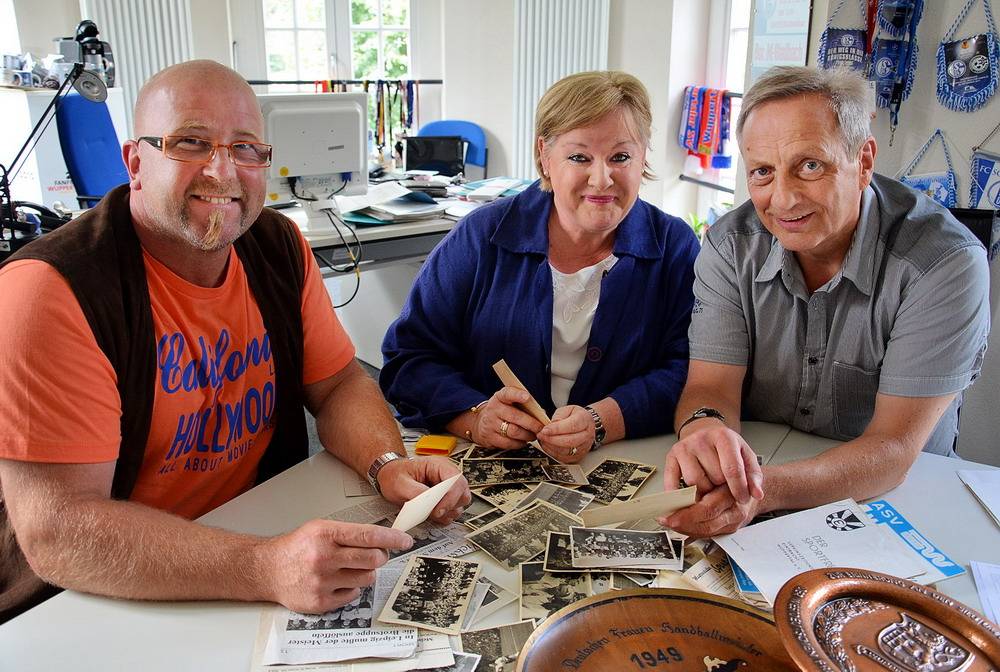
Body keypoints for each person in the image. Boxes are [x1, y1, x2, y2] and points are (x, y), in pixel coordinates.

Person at [0, 60, 470, 623]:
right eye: (190, 142)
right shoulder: (50, 291)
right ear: (135, 163)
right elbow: (60, 532)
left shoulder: (276, 245)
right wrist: (264, 567)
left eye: (246, 148)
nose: (222, 172)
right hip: (102, 590)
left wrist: (386, 463)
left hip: (251, 529)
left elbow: (340, 382)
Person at [660, 66, 990, 537]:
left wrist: (759, 491)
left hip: (901, 504)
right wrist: (703, 434)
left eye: (810, 165)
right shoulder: (729, 247)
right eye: (762, 173)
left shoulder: (944, 263)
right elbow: (711, 388)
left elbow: (893, 451)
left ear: (864, 160)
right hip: (762, 483)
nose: (783, 199)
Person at [380, 71, 699, 462]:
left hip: (628, 455)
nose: (602, 179)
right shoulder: (482, 235)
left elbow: (692, 370)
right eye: (579, 157)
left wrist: (604, 420)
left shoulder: (675, 246)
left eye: (621, 157)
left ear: (644, 155)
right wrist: (474, 415)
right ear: (545, 156)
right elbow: (409, 358)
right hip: (482, 462)